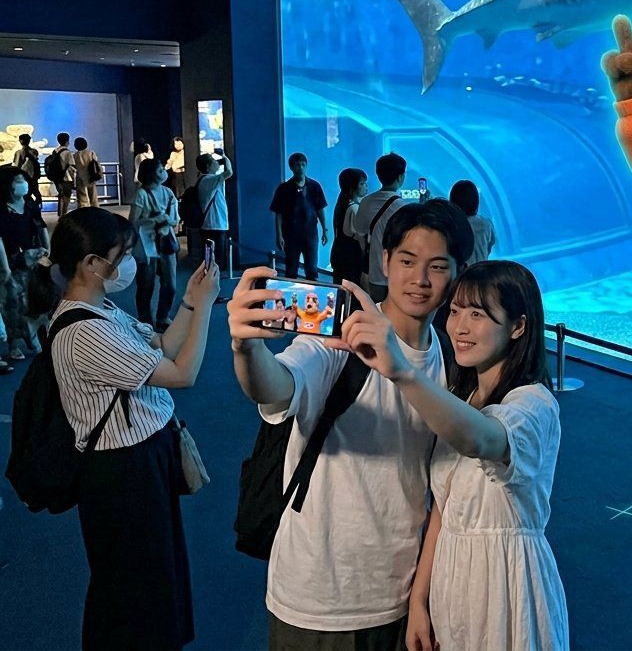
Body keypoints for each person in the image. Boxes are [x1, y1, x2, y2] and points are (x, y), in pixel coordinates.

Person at [226, 199, 473, 649]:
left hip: (400, 592)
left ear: (458, 271)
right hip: (319, 595)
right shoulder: (337, 341)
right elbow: (279, 387)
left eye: (437, 266)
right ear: (384, 261)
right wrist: (247, 350)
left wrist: (420, 598)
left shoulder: (450, 359)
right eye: (406, 261)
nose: (419, 280)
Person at [334, 260, 567, 651]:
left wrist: (404, 372)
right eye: (456, 311)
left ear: (518, 326)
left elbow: (483, 440)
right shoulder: (461, 396)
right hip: (452, 579)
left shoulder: (534, 405)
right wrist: (419, 601)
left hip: (505, 585)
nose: (459, 327)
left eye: (478, 314)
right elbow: (444, 511)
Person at [27, 207, 220, 650]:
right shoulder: (83, 332)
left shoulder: (103, 310)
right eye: (122, 254)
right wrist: (208, 308)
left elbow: (165, 347)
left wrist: (190, 302)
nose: (129, 263)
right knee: (129, 585)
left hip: (139, 460)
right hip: (119, 472)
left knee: (152, 576)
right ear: (93, 264)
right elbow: (182, 373)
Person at [0, 165, 49, 365]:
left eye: (24, 180)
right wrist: (5, 269)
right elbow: (0, 242)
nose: (24, 185)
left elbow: (41, 228)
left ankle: (33, 338)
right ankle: (15, 344)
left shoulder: (29, 205)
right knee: (14, 304)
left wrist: (48, 252)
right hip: (12, 262)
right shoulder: (2, 211)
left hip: (33, 260)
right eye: (18, 181)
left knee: (34, 301)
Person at [131, 159, 180, 332]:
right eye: (160, 171)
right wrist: (153, 220)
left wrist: (169, 222)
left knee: (171, 284)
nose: (164, 173)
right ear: (151, 174)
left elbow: (175, 219)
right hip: (146, 245)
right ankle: (145, 320)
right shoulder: (141, 194)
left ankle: (163, 316)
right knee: (146, 284)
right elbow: (133, 221)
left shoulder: (168, 193)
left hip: (166, 242)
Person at [353, 152, 407, 303]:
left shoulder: (366, 202)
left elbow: (360, 234)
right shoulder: (404, 208)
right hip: (399, 275)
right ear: (401, 177)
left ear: (378, 175)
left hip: (374, 273)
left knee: (375, 314)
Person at [269, 153, 329, 280]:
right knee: (291, 268)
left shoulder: (314, 186)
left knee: (312, 268)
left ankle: (313, 295)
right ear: (291, 167)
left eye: (303, 165)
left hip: (310, 233)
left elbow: (320, 209)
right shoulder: (284, 188)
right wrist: (279, 235)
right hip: (290, 234)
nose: (300, 168)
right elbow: (278, 214)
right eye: (297, 165)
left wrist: (325, 229)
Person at [195, 150, 233, 274]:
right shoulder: (208, 180)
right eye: (213, 161)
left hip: (212, 225)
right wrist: (224, 157)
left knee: (211, 259)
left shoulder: (206, 179)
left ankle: (211, 283)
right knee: (215, 260)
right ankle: (212, 285)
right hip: (214, 225)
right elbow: (229, 172)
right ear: (208, 166)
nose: (217, 163)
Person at [329, 167, 368, 285]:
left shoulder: (342, 204)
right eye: (362, 183)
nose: (366, 186)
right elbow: (360, 237)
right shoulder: (354, 208)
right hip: (350, 259)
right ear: (352, 188)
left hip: (339, 254)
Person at [449, 179, 497, 266]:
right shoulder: (487, 224)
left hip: (460, 275)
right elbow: (489, 248)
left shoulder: (451, 225)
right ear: (475, 200)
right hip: (482, 273)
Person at [12, 133, 43, 206]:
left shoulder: (18, 152)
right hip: (33, 177)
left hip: (23, 178)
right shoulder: (34, 151)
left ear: (20, 141)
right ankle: (34, 209)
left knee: (24, 195)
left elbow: (17, 165)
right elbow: (36, 162)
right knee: (37, 194)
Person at [50, 132, 75, 215]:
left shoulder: (55, 151)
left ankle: (60, 213)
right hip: (66, 177)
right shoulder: (68, 152)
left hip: (57, 177)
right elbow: (72, 167)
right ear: (67, 141)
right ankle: (64, 213)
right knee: (67, 196)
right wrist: (74, 179)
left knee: (60, 195)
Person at [73, 137, 101, 209]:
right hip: (91, 176)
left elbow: (73, 166)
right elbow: (96, 163)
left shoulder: (75, 155)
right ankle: (95, 211)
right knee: (93, 196)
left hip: (80, 177)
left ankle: (83, 212)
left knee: (81, 197)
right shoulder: (91, 153)